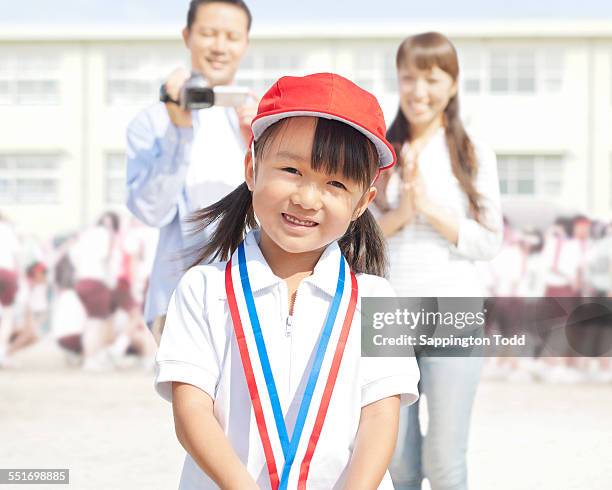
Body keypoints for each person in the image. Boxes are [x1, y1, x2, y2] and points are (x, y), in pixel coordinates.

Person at [155, 73, 420, 489]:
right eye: (292, 170)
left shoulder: (376, 298)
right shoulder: (202, 289)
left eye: (335, 183)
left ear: (362, 202)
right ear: (251, 168)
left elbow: (380, 418)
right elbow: (191, 413)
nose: (307, 198)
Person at [373, 33, 502, 490]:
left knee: (445, 461)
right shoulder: (379, 153)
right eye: (408, 77)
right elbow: (356, 240)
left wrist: (429, 211)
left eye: (431, 78)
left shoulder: (471, 153)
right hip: (388, 314)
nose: (418, 90)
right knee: (397, 460)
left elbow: (489, 241)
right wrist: (402, 214)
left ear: (452, 84)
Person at [126, 0, 257, 343]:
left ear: (245, 43)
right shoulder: (153, 121)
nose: (219, 46)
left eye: (231, 36)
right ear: (187, 36)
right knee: (192, 399)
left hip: (253, 291)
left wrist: (261, 146)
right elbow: (150, 210)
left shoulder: (261, 119)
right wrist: (179, 131)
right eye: (208, 33)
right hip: (178, 293)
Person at [0, 214, 22, 368]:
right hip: (7, 273)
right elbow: (17, 257)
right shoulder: (8, 229)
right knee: (7, 316)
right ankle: (1, 353)